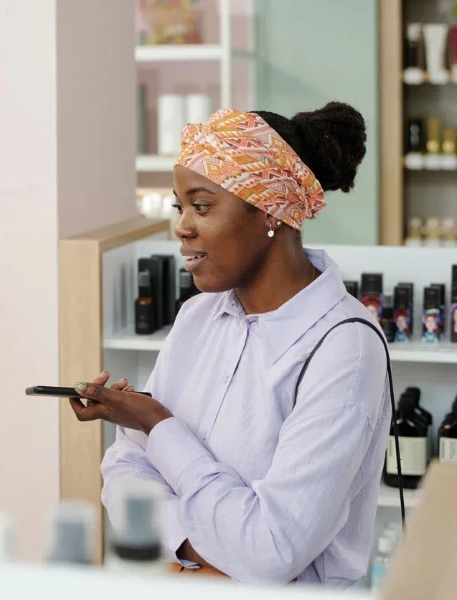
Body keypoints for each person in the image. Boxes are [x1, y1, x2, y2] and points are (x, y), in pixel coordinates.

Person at [71, 103, 389, 585]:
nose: (182, 226)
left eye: (202, 206)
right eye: (181, 208)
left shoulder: (343, 348)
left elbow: (270, 550)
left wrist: (158, 423)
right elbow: (123, 479)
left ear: (271, 212)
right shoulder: (198, 317)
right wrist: (204, 560)